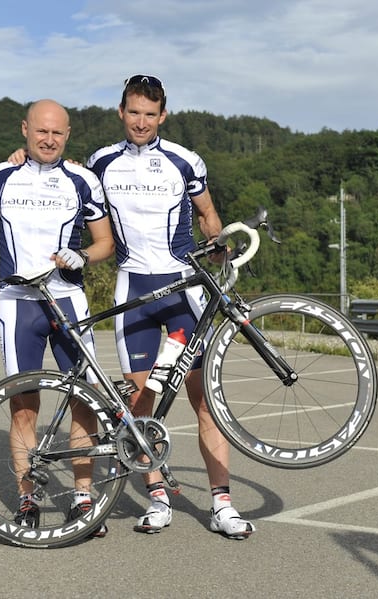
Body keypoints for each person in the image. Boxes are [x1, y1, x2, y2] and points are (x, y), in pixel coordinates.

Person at [86, 74, 255, 540]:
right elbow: (64, 184)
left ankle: (221, 502)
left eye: (150, 114)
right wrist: (21, 158)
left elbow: (207, 216)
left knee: (205, 402)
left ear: (163, 115)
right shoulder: (99, 163)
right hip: (133, 294)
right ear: (121, 112)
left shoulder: (184, 160)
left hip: (183, 290)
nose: (141, 122)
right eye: (133, 112)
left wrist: (217, 247)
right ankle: (157, 497)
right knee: (141, 404)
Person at [0, 99, 114, 536]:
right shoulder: (0, 176)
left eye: (57, 133)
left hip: (67, 299)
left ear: (68, 134)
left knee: (84, 398)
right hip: (18, 301)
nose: (48, 139)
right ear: (25, 129)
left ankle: (83, 496)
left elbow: (105, 243)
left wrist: (82, 255)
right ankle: (28, 499)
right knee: (24, 405)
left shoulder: (83, 179)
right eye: (41, 131)